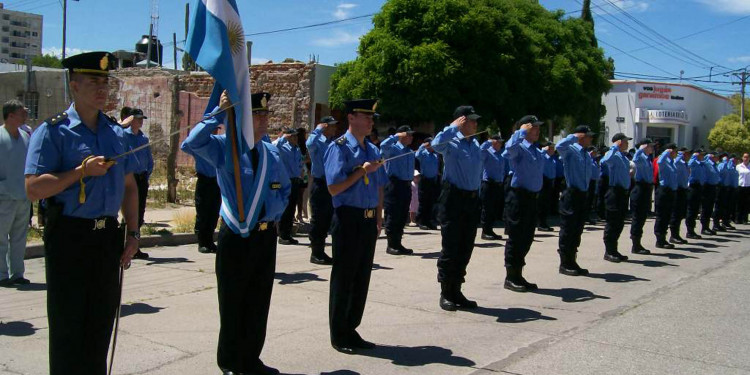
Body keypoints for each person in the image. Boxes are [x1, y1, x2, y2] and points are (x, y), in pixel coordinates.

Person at [24, 52, 140, 374]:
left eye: (105, 82)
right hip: (70, 237)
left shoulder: (116, 133)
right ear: (74, 85)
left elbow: (130, 186)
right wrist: (80, 172)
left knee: (100, 324)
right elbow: (33, 188)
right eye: (93, 82)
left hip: (107, 237)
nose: (102, 88)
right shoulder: (53, 132)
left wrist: (133, 232)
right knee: (68, 327)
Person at [184, 91, 290, 375]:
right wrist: (217, 114)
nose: (263, 119)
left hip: (265, 235)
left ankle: (251, 359)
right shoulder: (225, 147)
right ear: (242, 117)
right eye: (257, 113)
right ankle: (230, 362)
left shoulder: (272, 152)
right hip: (236, 235)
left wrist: (275, 215)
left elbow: (284, 189)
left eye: (266, 114)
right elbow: (191, 143)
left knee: (258, 301)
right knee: (232, 302)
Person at [324, 98, 386, 353]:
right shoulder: (339, 148)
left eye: (372, 117)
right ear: (351, 118)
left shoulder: (372, 149)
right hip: (348, 217)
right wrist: (361, 172)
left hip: (368, 219)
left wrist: (379, 215)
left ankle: (352, 328)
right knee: (345, 277)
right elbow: (334, 187)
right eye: (365, 116)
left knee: (361, 277)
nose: (371, 121)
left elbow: (380, 184)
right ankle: (339, 333)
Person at [431, 106, 483, 310]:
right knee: (451, 247)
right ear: (461, 121)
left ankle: (457, 290)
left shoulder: (475, 144)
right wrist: (452, 127)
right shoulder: (450, 142)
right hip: (453, 198)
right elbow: (435, 145)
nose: (475, 124)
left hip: (471, 200)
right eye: (471, 120)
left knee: (465, 247)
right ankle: (446, 292)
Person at [503, 115, 545, 292]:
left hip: (532, 198)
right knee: (516, 237)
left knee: (527, 238)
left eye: (537, 127)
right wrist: (520, 131)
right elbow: (508, 148)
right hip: (519, 197)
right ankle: (511, 276)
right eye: (533, 127)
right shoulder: (518, 146)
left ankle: (519, 274)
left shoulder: (536, 150)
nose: (537, 130)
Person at [554, 126, 595, 276]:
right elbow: (559, 146)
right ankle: (565, 263)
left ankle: (573, 260)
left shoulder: (586, 154)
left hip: (583, 194)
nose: (591, 139)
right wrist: (573, 136)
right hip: (571, 194)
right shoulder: (570, 149)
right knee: (568, 229)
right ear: (581, 136)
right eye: (588, 136)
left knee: (577, 230)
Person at [0, 100, 31, 287]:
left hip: (23, 195)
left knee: (19, 238)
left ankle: (17, 273)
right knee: (1, 238)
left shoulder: (25, 136)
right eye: (21, 113)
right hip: (3, 196)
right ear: (10, 115)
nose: (25, 115)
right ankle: (2, 274)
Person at [181, 126, 222, 254]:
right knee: (203, 211)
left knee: (214, 211)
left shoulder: (217, 142)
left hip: (217, 181)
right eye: (213, 129)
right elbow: (184, 146)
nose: (215, 131)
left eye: (216, 129)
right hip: (204, 180)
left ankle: (210, 241)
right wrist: (201, 132)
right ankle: (202, 242)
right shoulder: (198, 144)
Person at [305, 116, 338, 265]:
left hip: (331, 184)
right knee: (318, 219)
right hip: (320, 183)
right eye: (331, 126)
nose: (334, 128)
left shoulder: (333, 143)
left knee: (327, 218)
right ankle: (316, 253)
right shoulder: (317, 142)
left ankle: (322, 251)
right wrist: (318, 129)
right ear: (325, 127)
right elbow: (309, 143)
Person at [380, 125, 416, 255]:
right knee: (393, 214)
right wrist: (396, 136)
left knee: (402, 215)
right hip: (394, 184)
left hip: (406, 184)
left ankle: (398, 243)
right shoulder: (393, 149)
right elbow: (383, 146)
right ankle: (391, 244)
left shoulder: (410, 151)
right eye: (409, 135)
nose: (411, 137)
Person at [123, 108, 152, 260]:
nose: (141, 121)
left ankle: (136, 246)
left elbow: (149, 159)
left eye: (142, 118)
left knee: (139, 214)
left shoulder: (143, 139)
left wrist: (147, 174)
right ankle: (124, 244)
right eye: (138, 118)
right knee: (128, 213)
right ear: (131, 119)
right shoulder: (123, 137)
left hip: (141, 178)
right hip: (129, 178)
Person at [600, 133, 632, 263]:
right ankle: (609, 251)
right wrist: (614, 147)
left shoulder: (623, 157)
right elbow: (605, 160)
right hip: (614, 192)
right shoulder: (613, 155)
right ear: (619, 142)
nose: (627, 143)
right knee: (612, 223)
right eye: (625, 141)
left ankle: (614, 249)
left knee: (619, 223)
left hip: (623, 193)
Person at [275, 127, 304, 245]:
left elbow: (299, 163)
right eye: (293, 136)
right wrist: (283, 137)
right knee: (285, 209)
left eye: (296, 136)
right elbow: (273, 146)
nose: (296, 138)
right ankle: (282, 235)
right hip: (285, 181)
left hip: (295, 180)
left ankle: (288, 234)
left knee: (292, 208)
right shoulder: (282, 147)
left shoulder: (296, 149)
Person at [630, 138, 655, 254]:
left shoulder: (647, 158)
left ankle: (638, 243)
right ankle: (635, 244)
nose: (652, 148)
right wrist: (640, 149)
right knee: (638, 217)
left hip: (647, 188)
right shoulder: (640, 157)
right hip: (640, 188)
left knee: (643, 217)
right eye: (650, 146)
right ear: (645, 146)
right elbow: (634, 159)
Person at [479, 133, 506, 240]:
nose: (500, 144)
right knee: (487, 209)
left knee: (494, 209)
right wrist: (489, 141)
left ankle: (490, 230)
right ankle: (485, 231)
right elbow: (480, 150)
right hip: (488, 184)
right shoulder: (487, 153)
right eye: (498, 142)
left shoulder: (501, 154)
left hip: (498, 184)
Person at [654, 143, 678, 249]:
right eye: (675, 151)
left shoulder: (671, 162)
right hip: (663, 190)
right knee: (662, 216)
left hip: (671, 191)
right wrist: (665, 152)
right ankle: (660, 240)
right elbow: (659, 161)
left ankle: (663, 238)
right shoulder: (663, 160)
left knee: (667, 216)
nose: (676, 153)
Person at [415, 137, 440, 230]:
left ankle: (429, 221)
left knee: (431, 202)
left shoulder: (435, 155)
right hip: (424, 180)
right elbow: (417, 155)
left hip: (433, 180)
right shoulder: (423, 153)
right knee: (423, 202)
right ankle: (421, 221)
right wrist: (423, 145)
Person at [668, 148, 690, 244]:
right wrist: (680, 155)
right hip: (677, 189)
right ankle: (673, 235)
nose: (689, 156)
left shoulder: (685, 163)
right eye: (687, 154)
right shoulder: (677, 161)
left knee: (680, 214)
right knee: (675, 214)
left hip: (683, 189)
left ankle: (677, 234)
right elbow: (674, 162)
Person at [685, 149, 706, 239]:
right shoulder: (693, 162)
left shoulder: (700, 163)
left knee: (695, 210)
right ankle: (689, 231)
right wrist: (694, 155)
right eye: (701, 155)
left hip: (699, 187)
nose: (703, 156)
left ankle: (692, 230)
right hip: (693, 186)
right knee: (691, 210)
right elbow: (690, 163)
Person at [701, 152, 721, 235]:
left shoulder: (714, 165)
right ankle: (704, 227)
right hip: (707, 187)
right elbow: (701, 161)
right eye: (716, 156)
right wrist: (707, 156)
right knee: (706, 208)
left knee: (709, 208)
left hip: (713, 187)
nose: (718, 158)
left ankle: (707, 226)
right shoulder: (707, 163)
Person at [537, 142, 556, 232]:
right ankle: (541, 223)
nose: (553, 150)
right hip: (543, 180)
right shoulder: (542, 156)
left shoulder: (552, 159)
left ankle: (544, 223)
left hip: (550, 181)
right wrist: (543, 150)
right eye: (551, 148)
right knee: (542, 203)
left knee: (546, 203)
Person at [716, 154, 737, 230]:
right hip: (721, 187)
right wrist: (725, 162)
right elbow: (720, 172)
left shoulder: (732, 167)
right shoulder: (721, 165)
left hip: (729, 187)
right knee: (720, 206)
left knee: (727, 207)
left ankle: (725, 221)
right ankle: (716, 224)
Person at [585, 147, 600, 225]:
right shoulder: (588, 160)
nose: (595, 153)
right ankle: (585, 217)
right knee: (587, 200)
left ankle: (587, 216)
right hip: (588, 181)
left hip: (593, 181)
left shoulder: (594, 161)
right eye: (594, 152)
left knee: (590, 200)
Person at [737, 153, 750, 224]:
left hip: (748, 187)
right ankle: (738, 219)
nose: (746, 158)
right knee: (739, 203)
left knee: (747, 204)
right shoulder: (738, 166)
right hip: (740, 186)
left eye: (747, 157)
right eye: (744, 157)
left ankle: (745, 219)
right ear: (742, 158)